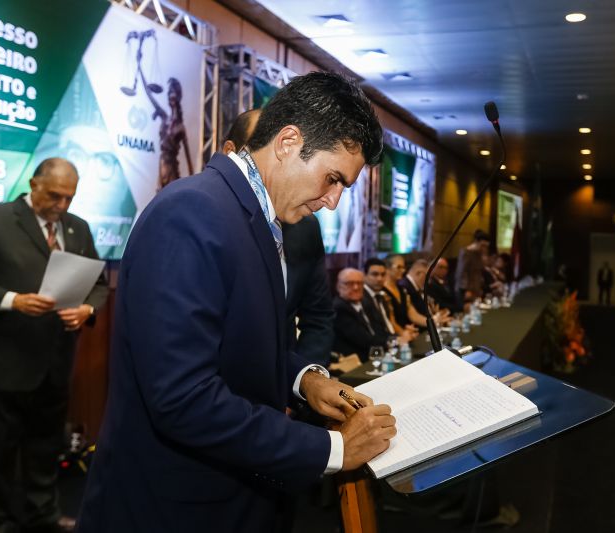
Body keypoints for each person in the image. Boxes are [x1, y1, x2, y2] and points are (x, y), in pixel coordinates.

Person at [76, 72, 396, 533]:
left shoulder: (253, 213)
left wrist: (305, 381)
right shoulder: (192, 212)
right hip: (173, 509)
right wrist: (334, 449)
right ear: (288, 142)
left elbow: (239, 341)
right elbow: (183, 398)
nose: (332, 202)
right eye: (332, 179)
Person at [0, 158, 108, 533]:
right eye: (54, 195)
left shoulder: (78, 228)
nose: (61, 206)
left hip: (56, 361)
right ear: (34, 183)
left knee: (45, 446)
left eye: (69, 198)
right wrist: (12, 300)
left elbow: (99, 283)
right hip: (5, 360)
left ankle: (44, 515)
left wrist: (88, 308)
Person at [222, 110, 333, 365]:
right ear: (231, 152)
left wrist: (306, 380)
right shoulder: (202, 216)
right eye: (260, 156)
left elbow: (318, 317)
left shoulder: (305, 227)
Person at [332, 268, 392, 362]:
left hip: (377, 354)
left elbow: (379, 328)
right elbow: (363, 340)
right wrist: (391, 342)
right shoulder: (338, 308)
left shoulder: (365, 302)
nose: (356, 287)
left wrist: (395, 338)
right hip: (357, 362)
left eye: (359, 283)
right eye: (349, 283)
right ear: (338, 286)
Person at [455, 229, 490, 304]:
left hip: (476, 287)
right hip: (465, 289)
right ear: (476, 242)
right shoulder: (466, 252)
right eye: (482, 245)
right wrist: (466, 290)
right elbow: (462, 273)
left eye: (486, 246)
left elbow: (482, 269)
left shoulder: (480, 254)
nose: (483, 248)